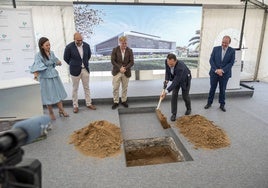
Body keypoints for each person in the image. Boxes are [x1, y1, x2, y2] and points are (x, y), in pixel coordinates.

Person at [31, 37, 69, 120]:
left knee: (58, 93)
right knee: (48, 95)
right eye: (46, 45)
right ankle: (51, 112)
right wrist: (35, 76)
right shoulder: (38, 55)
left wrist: (58, 62)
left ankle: (61, 110)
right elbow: (37, 66)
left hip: (54, 76)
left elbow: (55, 60)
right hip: (45, 77)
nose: (49, 46)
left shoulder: (52, 53)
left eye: (49, 45)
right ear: (42, 46)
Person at [64, 32, 96, 113]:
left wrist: (83, 64)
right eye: (78, 40)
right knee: (75, 89)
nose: (80, 42)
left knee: (86, 87)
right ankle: (75, 105)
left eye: (81, 40)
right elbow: (66, 58)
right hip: (74, 70)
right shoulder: (69, 47)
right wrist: (73, 64)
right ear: (74, 39)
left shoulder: (87, 46)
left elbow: (88, 56)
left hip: (85, 69)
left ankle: (89, 103)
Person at [204, 35, 235, 112]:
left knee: (222, 89)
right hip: (214, 73)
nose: (224, 44)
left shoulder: (232, 51)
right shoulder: (215, 49)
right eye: (223, 42)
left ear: (229, 43)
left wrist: (222, 70)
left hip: (225, 74)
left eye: (226, 43)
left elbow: (231, 63)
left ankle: (222, 104)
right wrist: (216, 70)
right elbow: (211, 60)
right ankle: (209, 103)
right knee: (212, 88)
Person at [161, 53, 192, 122]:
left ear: (176, 61)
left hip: (185, 79)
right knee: (174, 95)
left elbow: (176, 81)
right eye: (168, 64)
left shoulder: (180, 67)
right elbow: (168, 71)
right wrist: (166, 79)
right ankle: (174, 114)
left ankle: (189, 108)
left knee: (185, 96)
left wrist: (166, 91)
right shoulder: (167, 62)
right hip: (176, 77)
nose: (170, 65)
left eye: (171, 64)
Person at [111, 36, 134, 109]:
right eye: (122, 43)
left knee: (125, 87)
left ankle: (124, 100)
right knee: (115, 87)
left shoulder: (130, 50)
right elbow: (113, 61)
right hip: (117, 71)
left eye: (125, 43)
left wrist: (125, 68)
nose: (124, 45)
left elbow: (132, 62)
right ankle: (116, 101)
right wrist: (120, 68)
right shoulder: (115, 50)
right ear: (119, 43)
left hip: (126, 72)